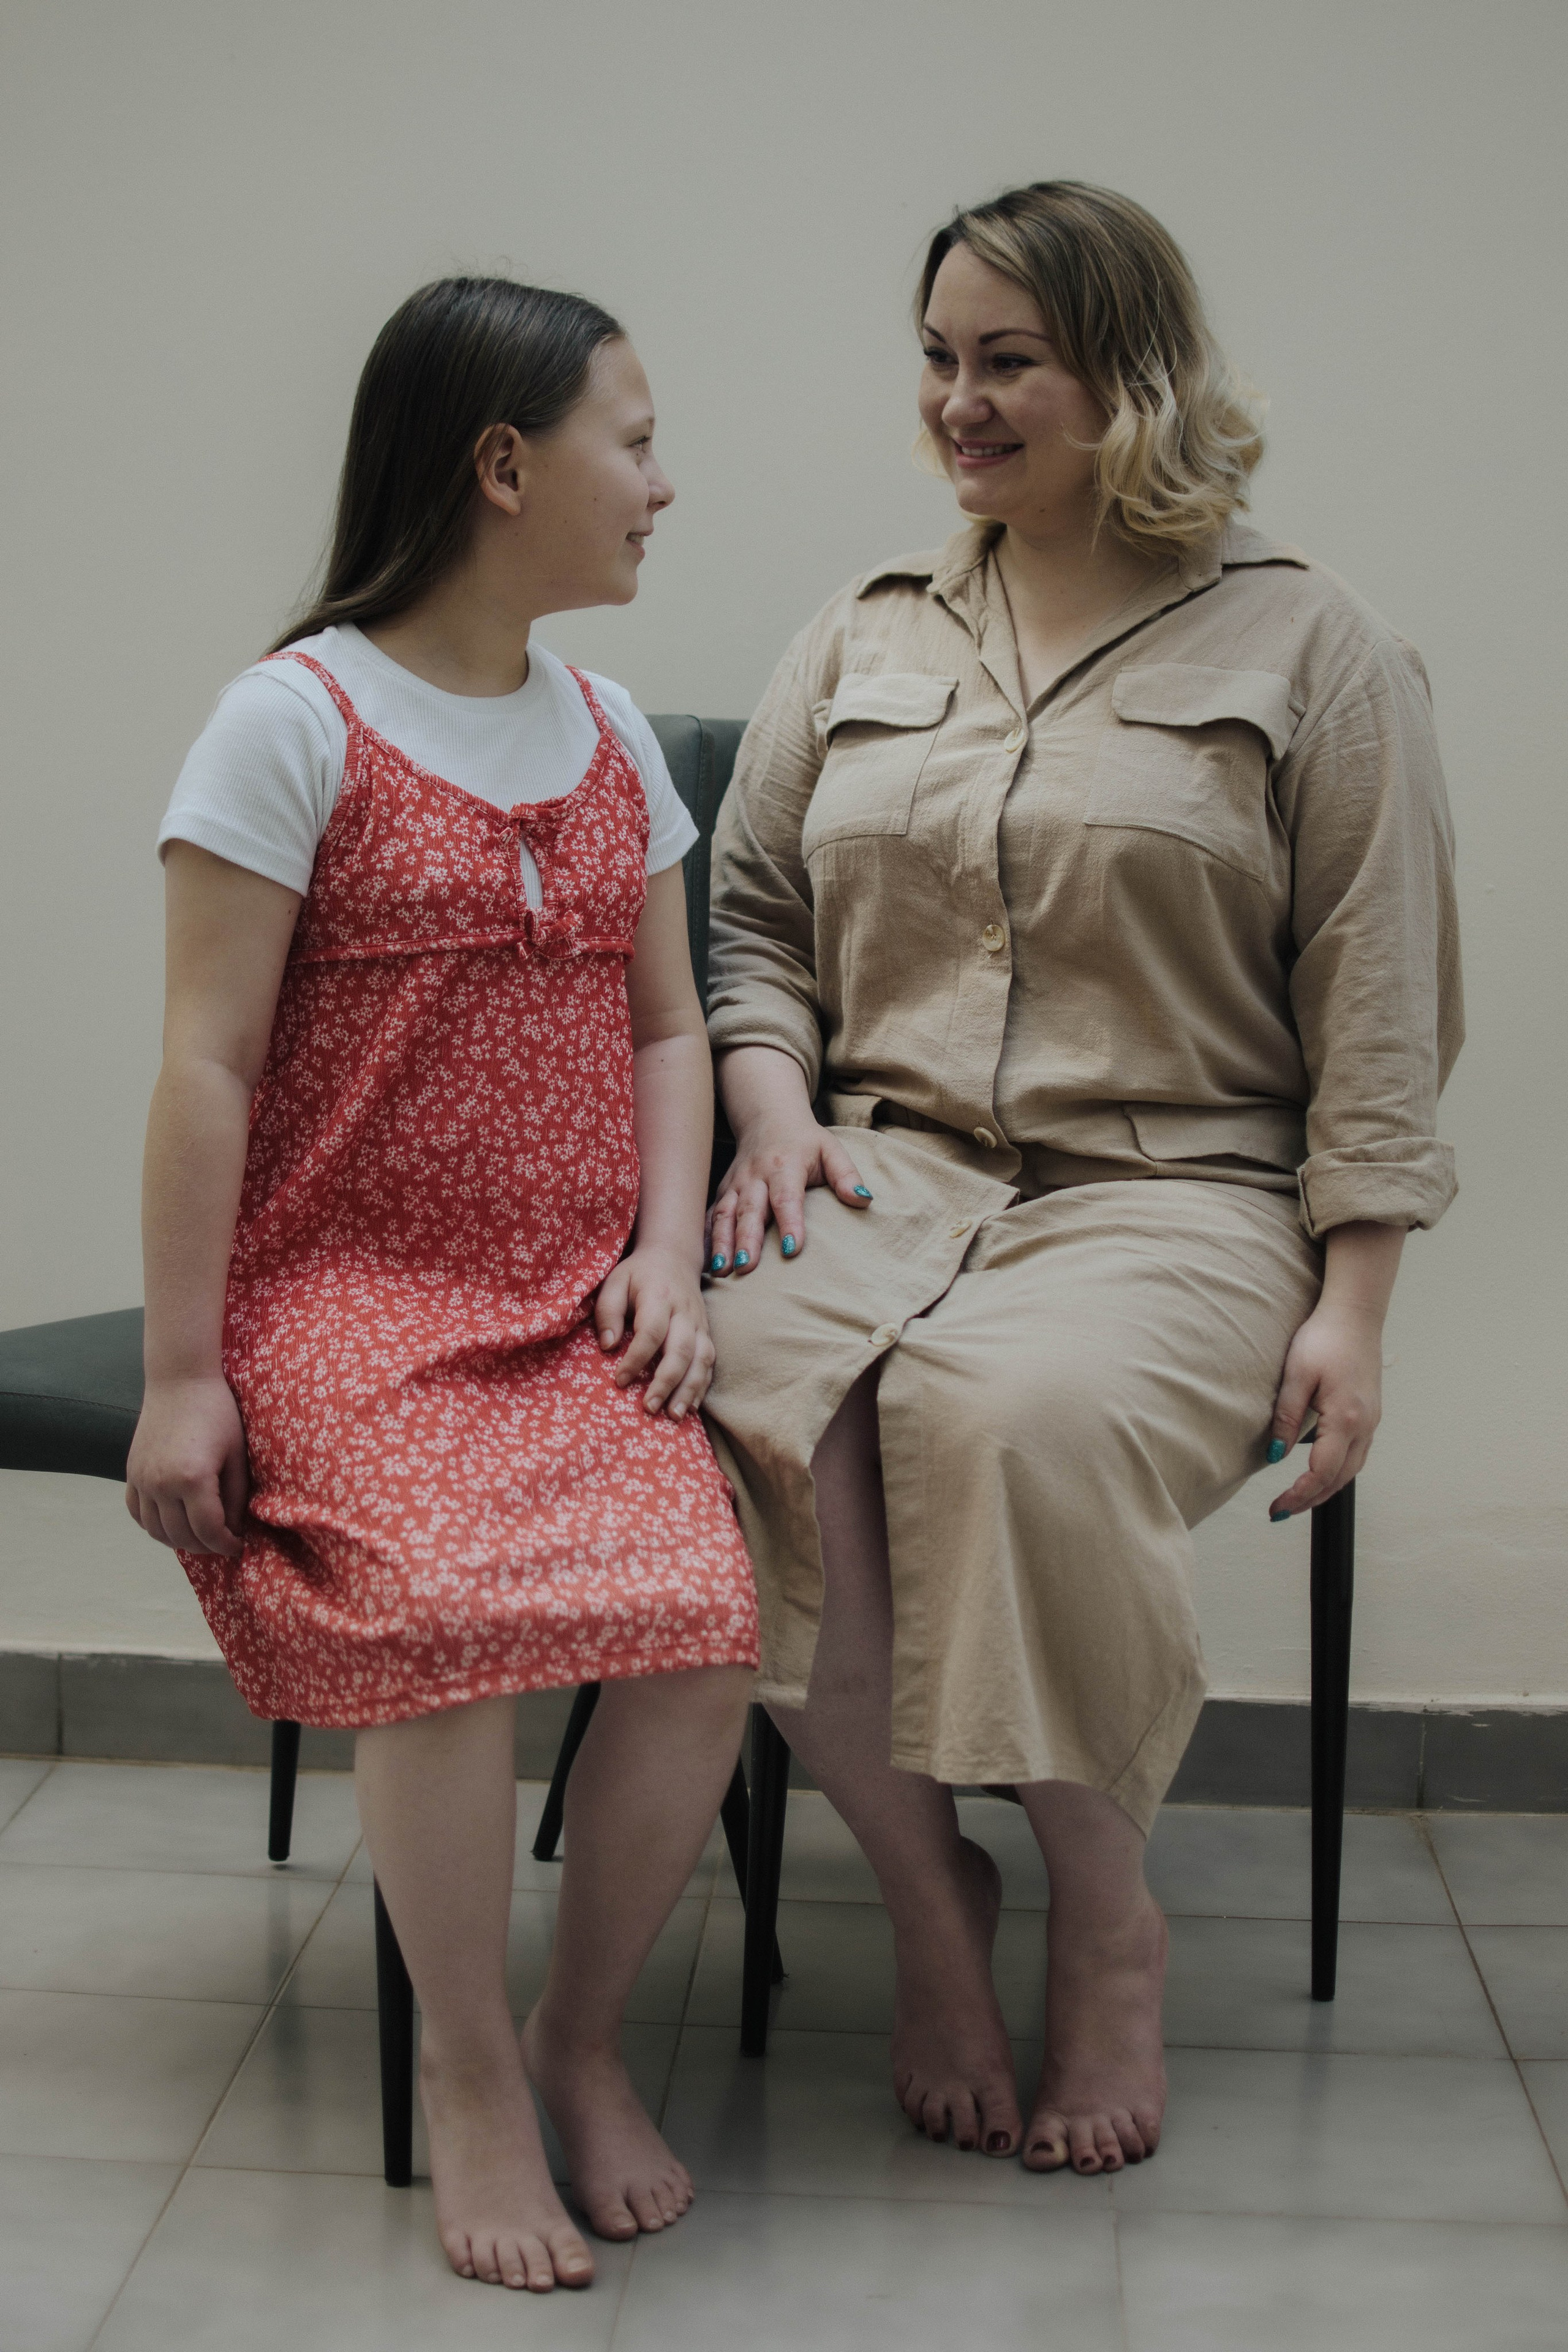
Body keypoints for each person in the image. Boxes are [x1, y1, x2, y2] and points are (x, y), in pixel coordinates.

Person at [700, 182, 1461, 2179]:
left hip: (1186, 1190)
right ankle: (930, 1893)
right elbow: (751, 920)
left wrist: (1358, 1307)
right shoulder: (865, 628)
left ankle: (1105, 1920)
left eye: (1008, 361)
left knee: (1010, 1417)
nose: (958, 401)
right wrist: (770, 1109)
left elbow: (1380, 1005)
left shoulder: (1317, 644)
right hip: (879, 1165)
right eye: (939, 358)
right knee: (733, 1397)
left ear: (1129, 375)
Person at [125, 277, 758, 2293]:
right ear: (502, 466)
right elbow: (206, 1067)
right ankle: (469, 2070)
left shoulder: (610, 736)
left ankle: (580, 2039)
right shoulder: (289, 721)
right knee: (448, 1615)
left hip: (566, 1300)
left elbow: (670, 1029)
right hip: (345, 1305)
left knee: (707, 1615)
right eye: (632, 443)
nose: (662, 484)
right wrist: (183, 1371)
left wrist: (664, 1253)